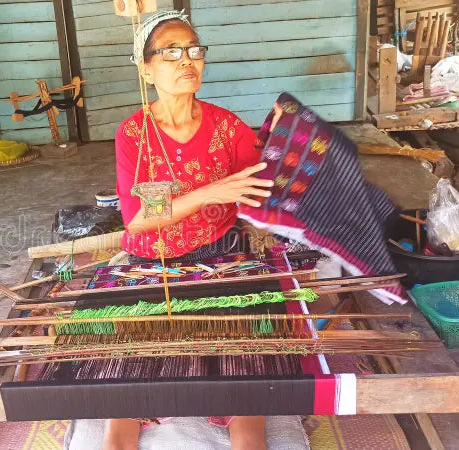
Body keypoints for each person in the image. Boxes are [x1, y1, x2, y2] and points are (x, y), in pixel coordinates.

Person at [108, 10, 274, 450]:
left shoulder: (227, 126)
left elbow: (263, 186)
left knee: (246, 367)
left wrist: (292, 154)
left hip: (217, 252)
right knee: (128, 376)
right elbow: (140, 216)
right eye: (171, 52)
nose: (188, 61)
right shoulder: (134, 134)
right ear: (146, 68)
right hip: (150, 262)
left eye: (194, 51)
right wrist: (210, 191)